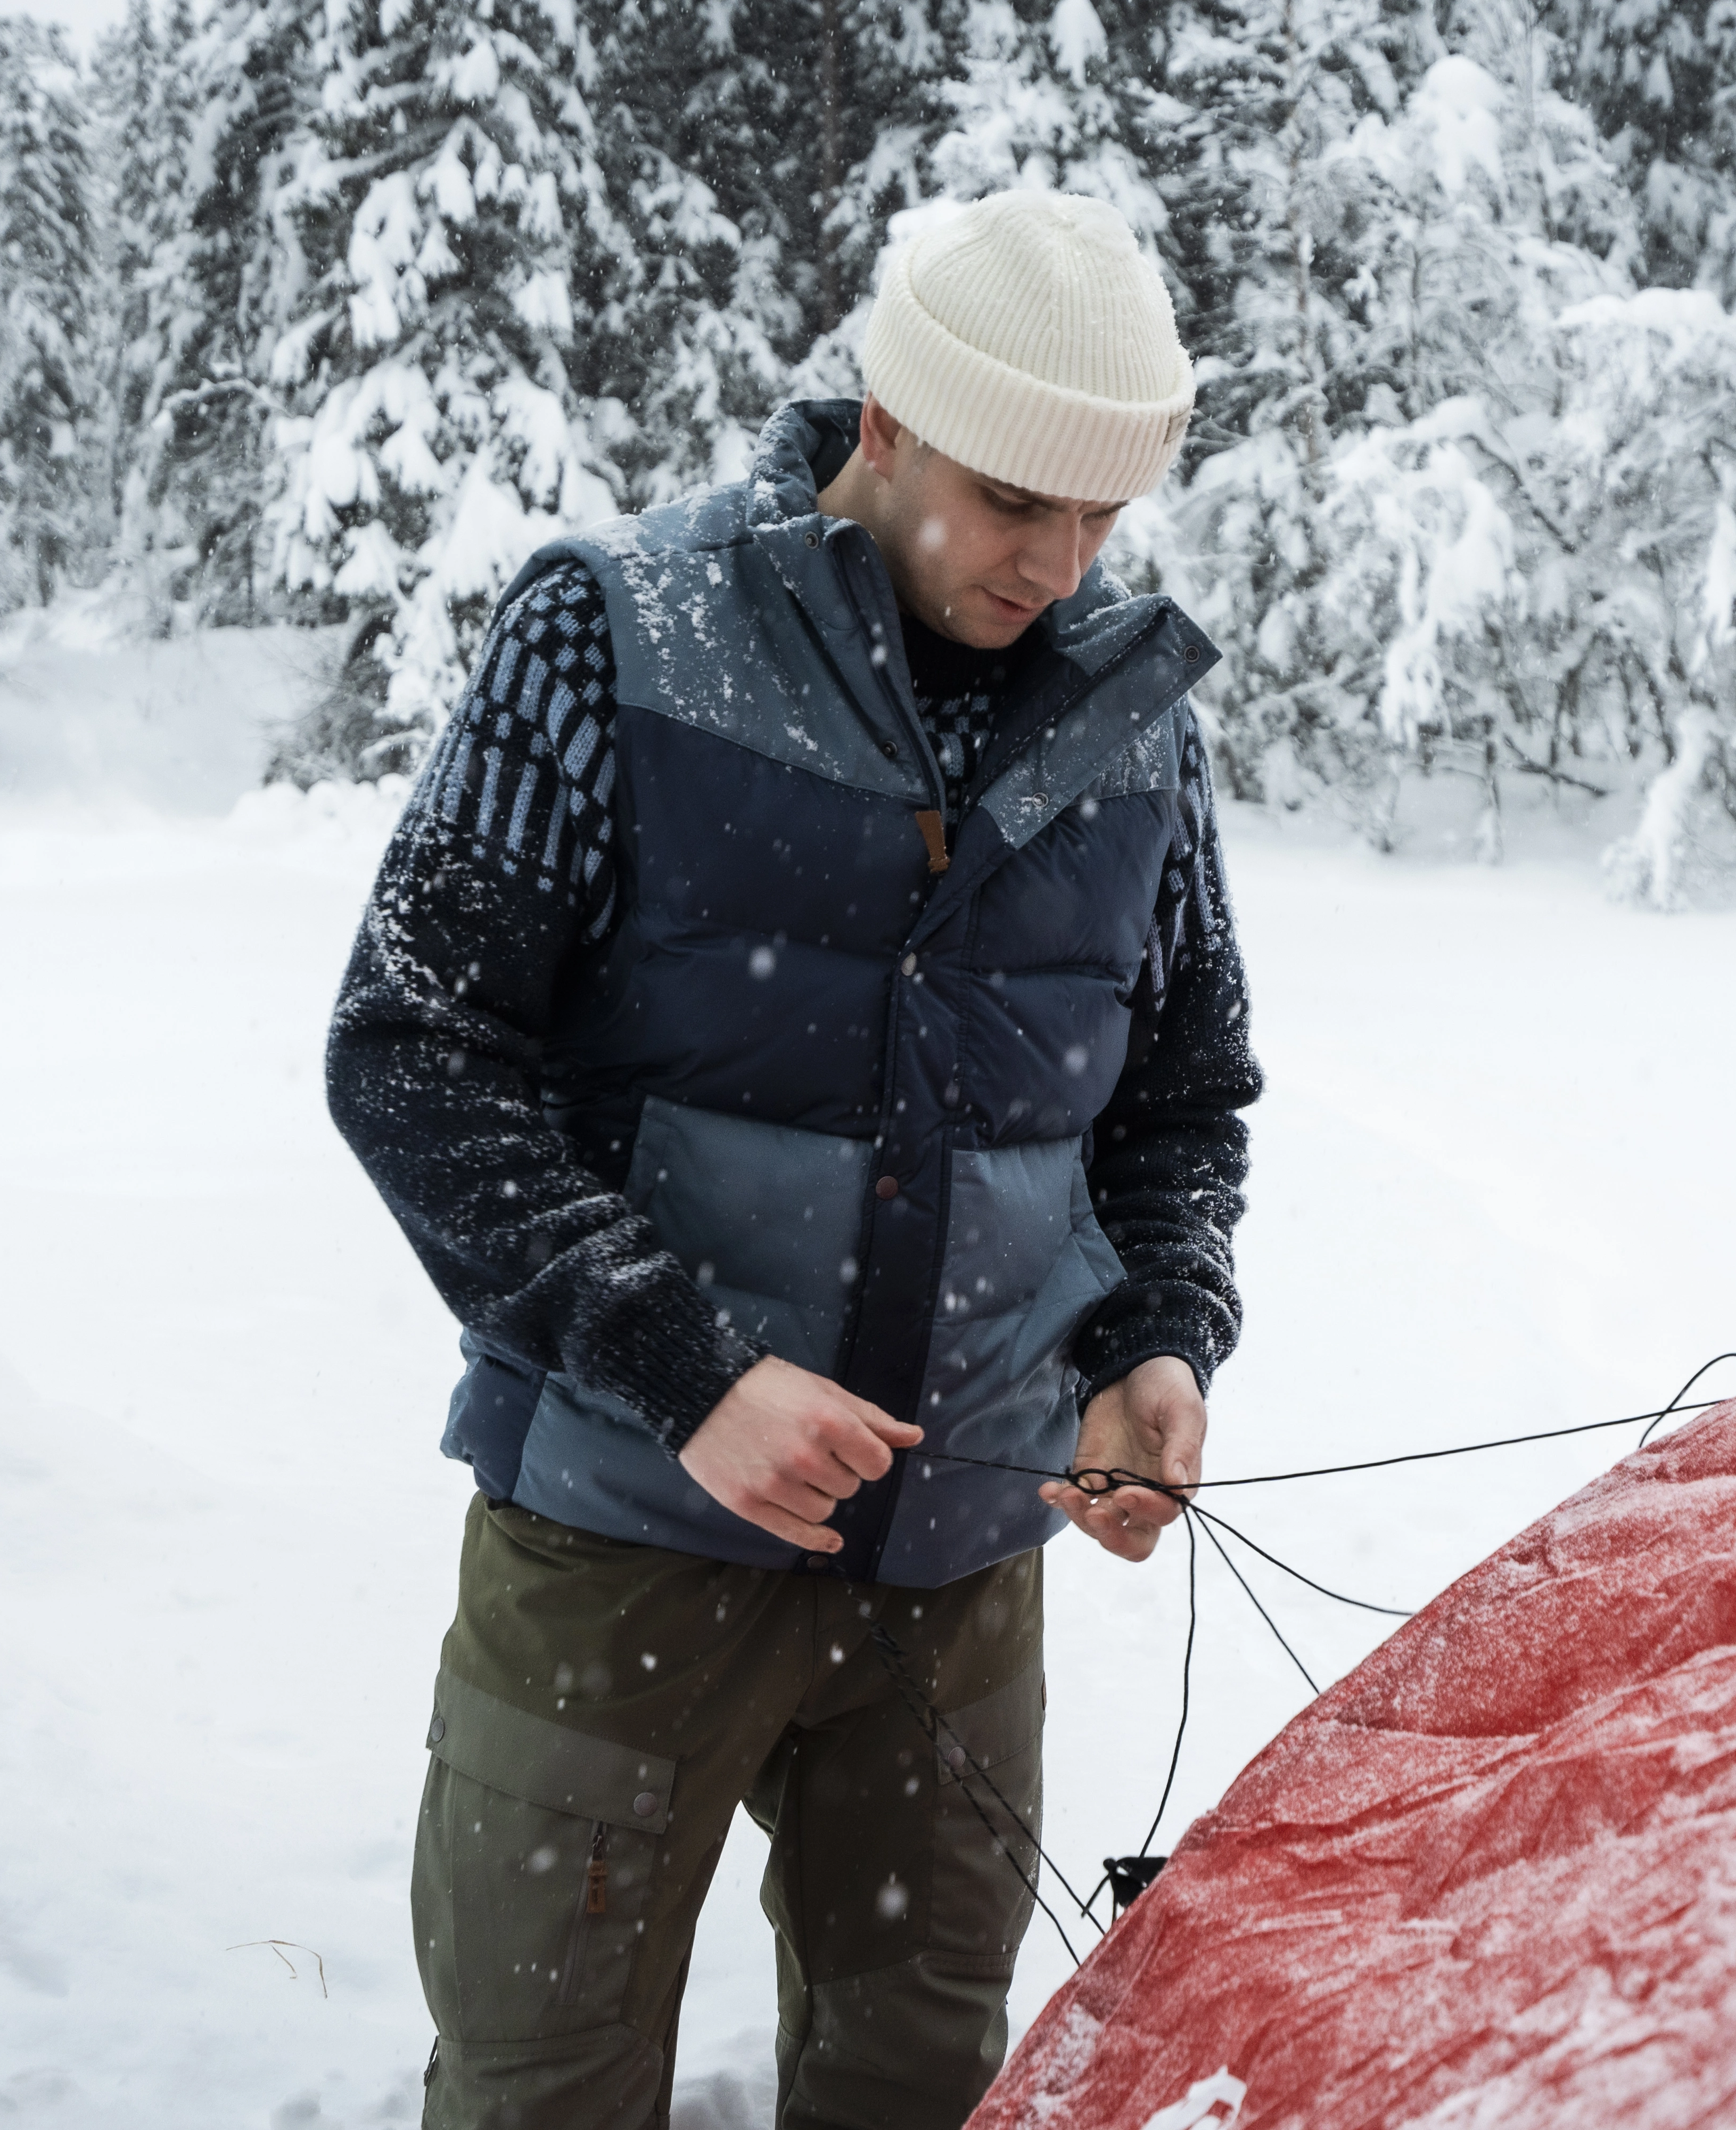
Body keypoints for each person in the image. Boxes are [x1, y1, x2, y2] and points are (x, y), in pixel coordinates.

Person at [326, 189, 1263, 2130]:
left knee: (919, 2075)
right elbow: (413, 1053)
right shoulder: (612, 635)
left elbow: (1180, 1098)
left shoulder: (1134, 729)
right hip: (621, 1544)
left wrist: (1156, 1340)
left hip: (962, 1571)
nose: (1060, 560)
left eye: (1101, 516)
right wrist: (687, 1374)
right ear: (890, 422)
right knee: (541, 2084)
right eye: (1018, 500)